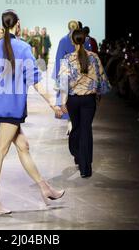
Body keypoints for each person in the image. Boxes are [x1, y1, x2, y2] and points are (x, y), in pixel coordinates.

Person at [0, 10, 65, 215]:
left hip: (1, 106)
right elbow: (36, 81)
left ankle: (44, 187)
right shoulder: (23, 47)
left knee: (23, 146)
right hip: (11, 107)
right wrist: (53, 104)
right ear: (17, 25)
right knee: (0, 151)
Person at [56, 29, 111, 177]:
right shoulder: (94, 57)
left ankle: (79, 156)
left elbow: (63, 82)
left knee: (77, 128)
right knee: (85, 130)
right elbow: (101, 79)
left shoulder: (67, 59)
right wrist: (98, 95)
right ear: (85, 40)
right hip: (89, 100)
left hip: (73, 100)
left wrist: (62, 102)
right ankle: (85, 167)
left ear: (73, 41)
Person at [52, 21, 92, 129]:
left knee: (70, 101)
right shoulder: (86, 40)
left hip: (69, 78)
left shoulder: (63, 41)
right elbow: (91, 61)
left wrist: (58, 77)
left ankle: (71, 123)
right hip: (84, 79)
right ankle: (74, 124)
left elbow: (59, 59)